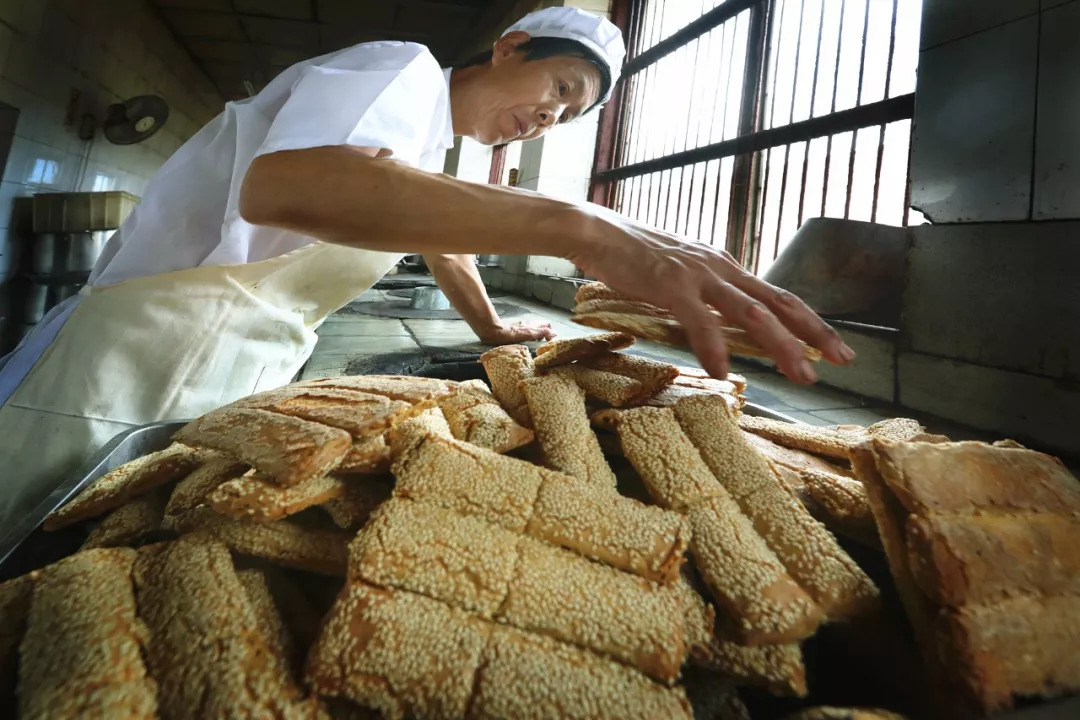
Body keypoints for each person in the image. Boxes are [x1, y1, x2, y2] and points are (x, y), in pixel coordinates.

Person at [0, 7, 853, 529]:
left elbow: (441, 239)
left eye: (567, 118)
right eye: (557, 87)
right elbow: (286, 185)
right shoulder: (397, 69)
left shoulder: (425, 146)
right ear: (510, 45)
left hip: (222, 371)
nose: (545, 119)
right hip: (119, 356)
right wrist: (582, 226)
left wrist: (492, 330)